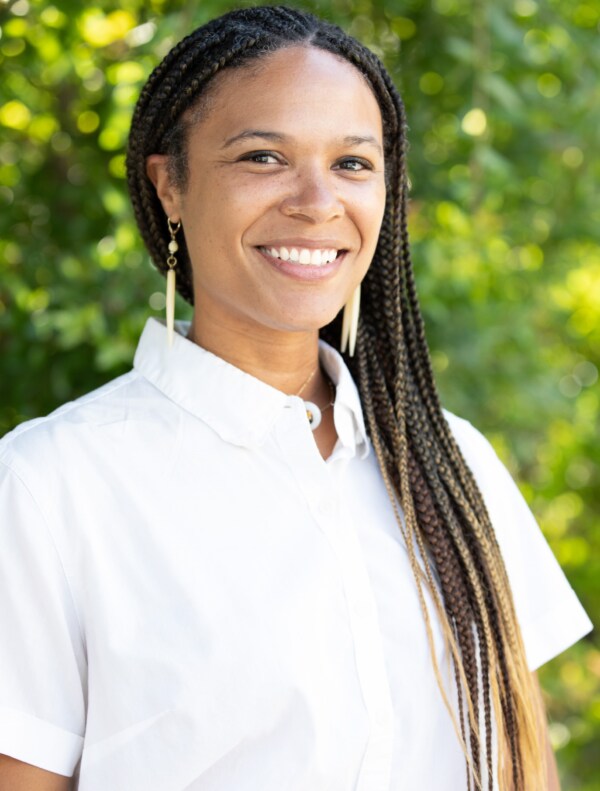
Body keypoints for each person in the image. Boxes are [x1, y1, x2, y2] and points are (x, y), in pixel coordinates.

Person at [0, 6, 592, 791]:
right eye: (263, 156)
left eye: (353, 163)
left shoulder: (454, 465)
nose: (317, 201)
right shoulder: (50, 484)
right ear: (169, 183)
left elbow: (524, 771)